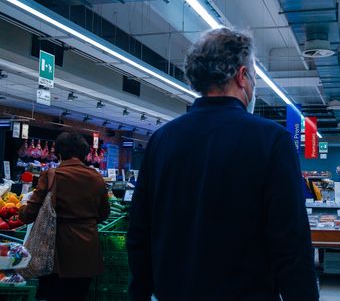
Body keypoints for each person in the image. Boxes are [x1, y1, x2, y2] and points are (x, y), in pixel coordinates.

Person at [127, 28, 319, 301]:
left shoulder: (161, 140)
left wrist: (140, 294)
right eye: (253, 75)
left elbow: (139, 235)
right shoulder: (272, 140)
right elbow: (291, 244)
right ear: (241, 76)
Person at [19, 132, 110, 301]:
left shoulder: (51, 175)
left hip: (56, 251)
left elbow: (29, 215)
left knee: (54, 295)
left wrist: (22, 207)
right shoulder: (97, 178)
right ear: (83, 153)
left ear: (59, 153)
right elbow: (104, 214)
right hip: (87, 251)